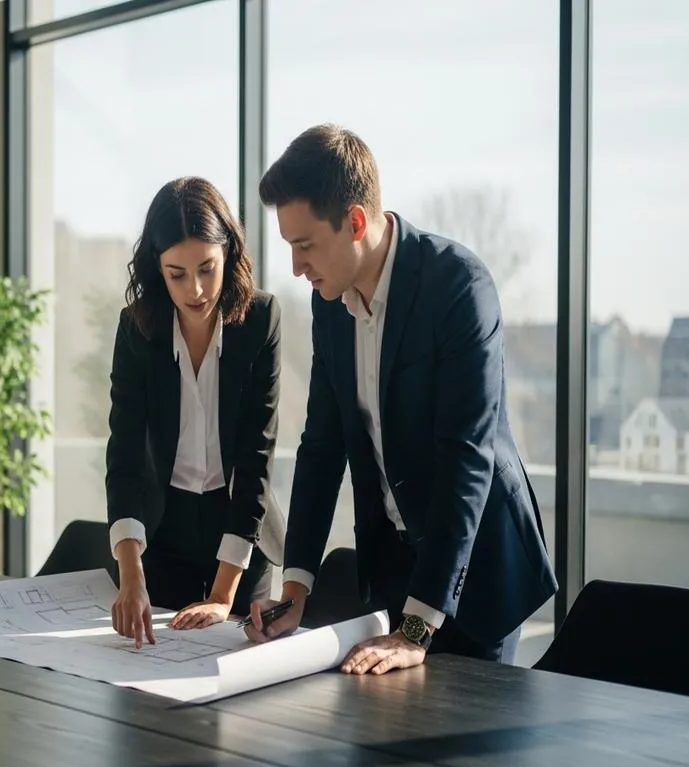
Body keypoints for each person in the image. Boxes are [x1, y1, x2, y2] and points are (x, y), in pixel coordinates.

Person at [245, 124, 557, 672]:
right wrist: (295, 589)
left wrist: (417, 629)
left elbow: (467, 461)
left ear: (356, 222)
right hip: (395, 570)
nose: (296, 268)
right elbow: (321, 446)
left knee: (467, 750)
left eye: (305, 245)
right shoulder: (329, 302)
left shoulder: (458, 286)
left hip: (476, 568)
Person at [106, 176, 285, 648]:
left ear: (229, 253)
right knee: (154, 672)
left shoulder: (261, 321)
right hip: (163, 531)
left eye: (208, 268)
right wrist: (130, 576)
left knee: (242, 685)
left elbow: (256, 461)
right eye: (177, 274)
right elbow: (123, 457)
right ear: (156, 269)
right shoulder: (137, 329)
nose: (197, 290)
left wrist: (225, 596)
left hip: (243, 537)